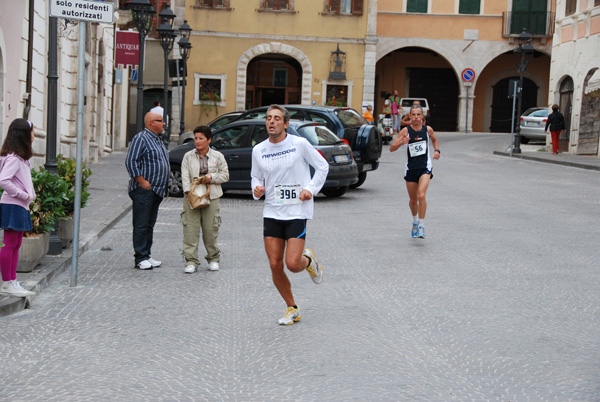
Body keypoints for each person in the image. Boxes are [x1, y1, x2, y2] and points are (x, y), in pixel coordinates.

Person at [251, 104, 329, 326]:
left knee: (292, 264)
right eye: (268, 118)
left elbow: (322, 167)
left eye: (276, 118)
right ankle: (291, 308)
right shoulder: (259, 150)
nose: (271, 121)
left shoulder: (299, 144)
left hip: (297, 210)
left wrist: (310, 189)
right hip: (272, 211)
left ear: (285, 124)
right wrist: (257, 188)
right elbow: (256, 177)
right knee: (275, 264)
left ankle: (308, 260)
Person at [181, 126, 229, 273]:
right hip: (192, 196)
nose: (197, 141)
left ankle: (213, 258)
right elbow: (185, 177)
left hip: (212, 196)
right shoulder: (188, 156)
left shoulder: (218, 156)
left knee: (210, 229)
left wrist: (211, 177)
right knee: (191, 229)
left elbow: (225, 175)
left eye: (201, 138)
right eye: (196, 138)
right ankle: (191, 261)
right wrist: (189, 193)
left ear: (209, 140)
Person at [125, 111, 170, 270]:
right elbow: (131, 161)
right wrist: (141, 181)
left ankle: (147, 254)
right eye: (161, 121)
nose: (164, 123)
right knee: (141, 224)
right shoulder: (141, 138)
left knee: (149, 224)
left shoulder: (157, 139)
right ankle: (140, 257)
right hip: (144, 190)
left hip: (156, 190)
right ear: (152, 122)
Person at [390, 105, 440, 239]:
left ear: (422, 116)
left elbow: (435, 140)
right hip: (411, 168)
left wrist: (437, 151)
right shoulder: (405, 131)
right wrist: (401, 142)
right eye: (413, 115)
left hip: (425, 167)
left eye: (419, 115)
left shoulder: (427, 130)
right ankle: (415, 222)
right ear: (409, 116)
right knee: (413, 199)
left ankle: (422, 226)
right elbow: (391, 148)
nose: (416, 117)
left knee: (421, 195)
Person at [0, 119, 36, 298]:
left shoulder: (21, 158)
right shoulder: (14, 158)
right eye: (32, 132)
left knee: (16, 244)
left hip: (20, 206)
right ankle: (6, 283)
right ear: (23, 134)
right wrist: (24, 195)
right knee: (10, 244)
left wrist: (29, 196)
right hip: (13, 204)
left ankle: (12, 281)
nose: (33, 136)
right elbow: (3, 180)